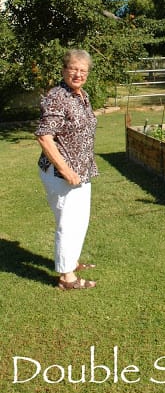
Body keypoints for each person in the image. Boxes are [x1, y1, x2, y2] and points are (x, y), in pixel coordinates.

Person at [35, 49, 99, 290]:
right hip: (61, 173)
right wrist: (66, 169)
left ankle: (70, 262)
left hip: (81, 170)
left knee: (80, 220)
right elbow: (44, 136)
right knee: (69, 222)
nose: (78, 74)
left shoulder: (81, 95)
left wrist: (78, 169)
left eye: (83, 70)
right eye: (73, 68)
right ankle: (66, 278)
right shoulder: (57, 97)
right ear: (63, 70)